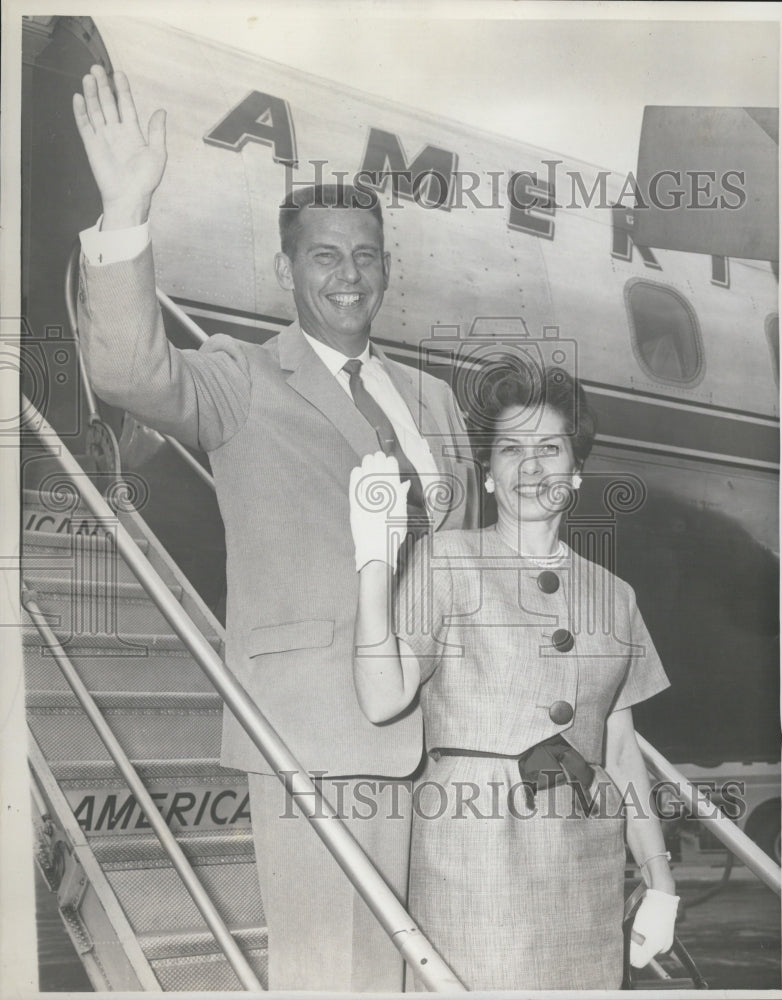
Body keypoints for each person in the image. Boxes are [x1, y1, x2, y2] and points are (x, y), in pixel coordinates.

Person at [72, 65, 476, 991]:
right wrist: (126, 211)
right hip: (312, 727)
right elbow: (131, 371)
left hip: (442, 731)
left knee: (422, 969)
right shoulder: (237, 379)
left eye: (366, 254)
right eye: (325, 255)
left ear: (387, 267)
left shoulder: (435, 400)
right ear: (287, 268)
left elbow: (465, 566)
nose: (349, 274)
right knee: (330, 972)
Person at [349, 360, 679, 990]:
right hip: (472, 856)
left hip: (585, 867)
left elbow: (617, 746)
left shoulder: (616, 597)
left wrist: (659, 877)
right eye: (511, 449)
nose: (531, 467)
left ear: (576, 472)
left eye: (550, 449)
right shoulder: (446, 559)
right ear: (491, 476)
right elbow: (381, 696)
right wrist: (373, 559)